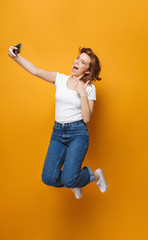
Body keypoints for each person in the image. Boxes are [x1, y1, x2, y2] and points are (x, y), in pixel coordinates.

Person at [8, 44, 107, 199]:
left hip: (77, 134)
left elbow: (87, 118)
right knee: (48, 178)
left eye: (82, 62)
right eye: (78, 58)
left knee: (69, 179)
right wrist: (15, 57)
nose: (77, 62)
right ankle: (74, 182)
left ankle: (95, 176)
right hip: (58, 133)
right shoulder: (60, 79)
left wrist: (82, 94)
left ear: (87, 70)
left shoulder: (89, 88)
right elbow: (35, 71)